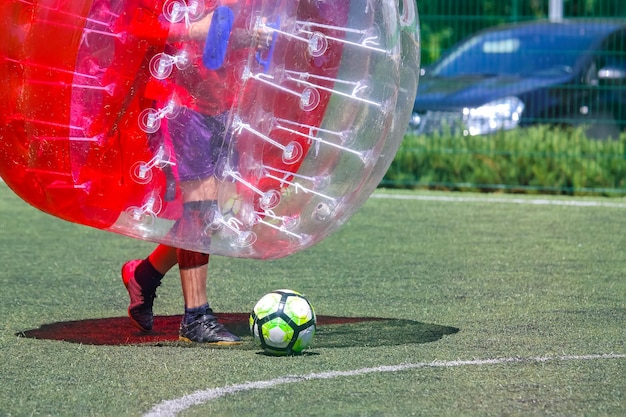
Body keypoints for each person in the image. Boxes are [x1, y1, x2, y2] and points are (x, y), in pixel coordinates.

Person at [121, 0, 270, 344]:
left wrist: (249, 38)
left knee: (207, 214)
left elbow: (220, 34)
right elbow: (132, 27)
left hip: (224, 102)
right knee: (200, 207)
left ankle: (144, 276)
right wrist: (189, 30)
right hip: (182, 100)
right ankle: (195, 317)